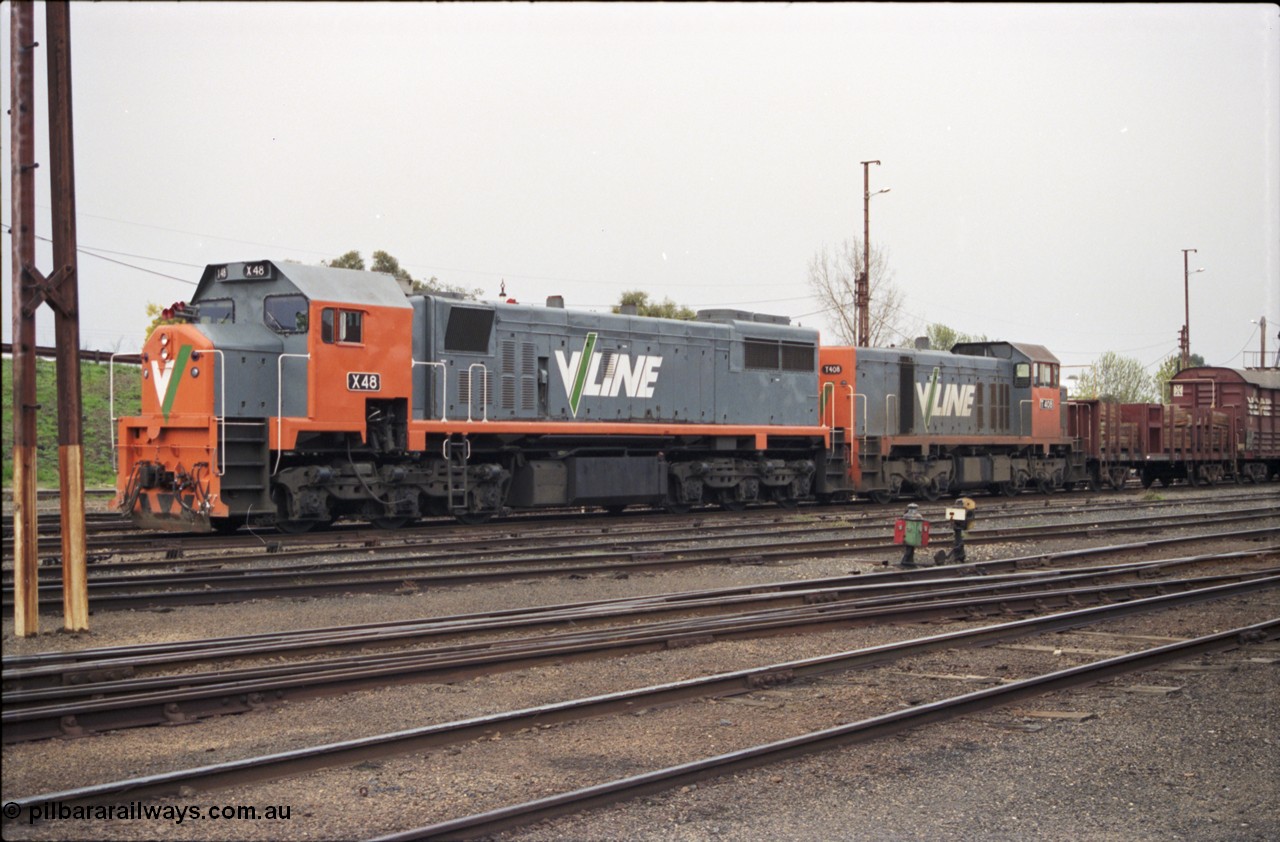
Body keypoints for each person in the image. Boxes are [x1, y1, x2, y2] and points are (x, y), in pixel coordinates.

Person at [895, 503, 928, 568]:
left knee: (910, 549)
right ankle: (904, 562)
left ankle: (908, 562)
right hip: (911, 536)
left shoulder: (906, 516)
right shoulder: (917, 516)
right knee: (909, 550)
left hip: (908, 535)